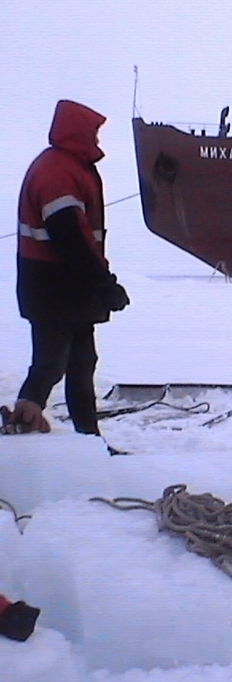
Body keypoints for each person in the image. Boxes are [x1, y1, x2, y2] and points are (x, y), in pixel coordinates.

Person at [0, 100, 129, 437]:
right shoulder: (57, 172)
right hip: (53, 289)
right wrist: (104, 284)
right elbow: (70, 236)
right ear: (79, 132)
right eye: (95, 134)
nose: (98, 142)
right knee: (50, 364)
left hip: (69, 289)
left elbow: (84, 238)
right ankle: (21, 427)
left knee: (82, 363)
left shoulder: (69, 166)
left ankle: (89, 438)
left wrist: (100, 281)